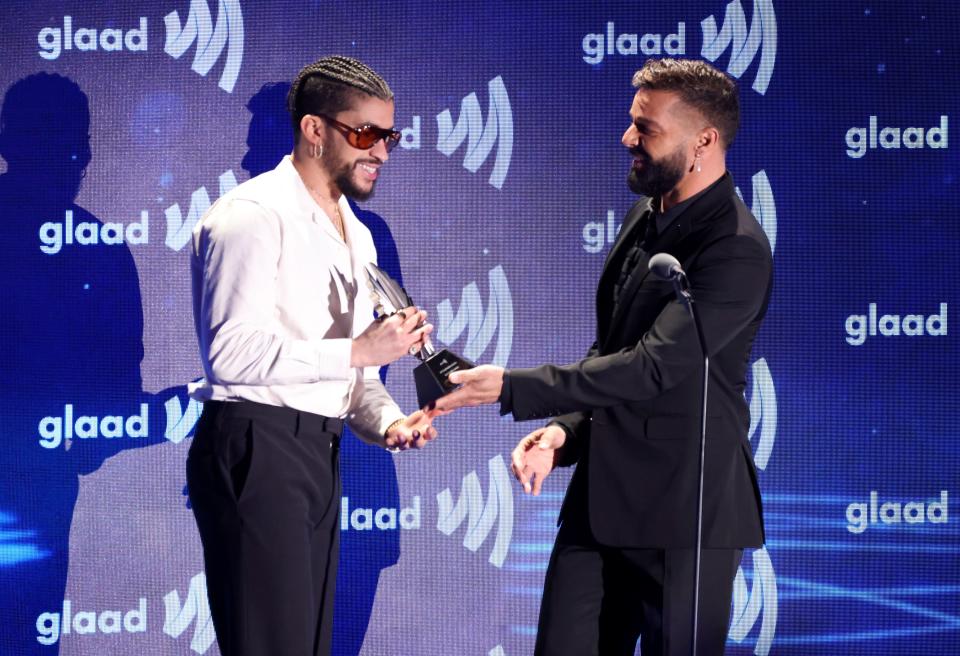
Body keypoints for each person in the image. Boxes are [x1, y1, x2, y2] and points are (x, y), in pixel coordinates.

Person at [434, 58, 772, 655]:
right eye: (631, 122)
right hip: (601, 501)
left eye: (647, 129)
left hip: (685, 515)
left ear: (704, 142)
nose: (627, 139)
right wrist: (564, 433)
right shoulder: (646, 212)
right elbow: (613, 346)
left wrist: (508, 386)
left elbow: (652, 367)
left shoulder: (735, 249)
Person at [186, 55, 439, 656]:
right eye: (365, 135)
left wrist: (389, 422)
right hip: (256, 447)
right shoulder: (251, 218)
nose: (380, 151)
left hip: (319, 451)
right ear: (315, 130)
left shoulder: (359, 232)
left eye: (389, 137)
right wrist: (357, 349)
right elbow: (231, 354)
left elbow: (354, 371)